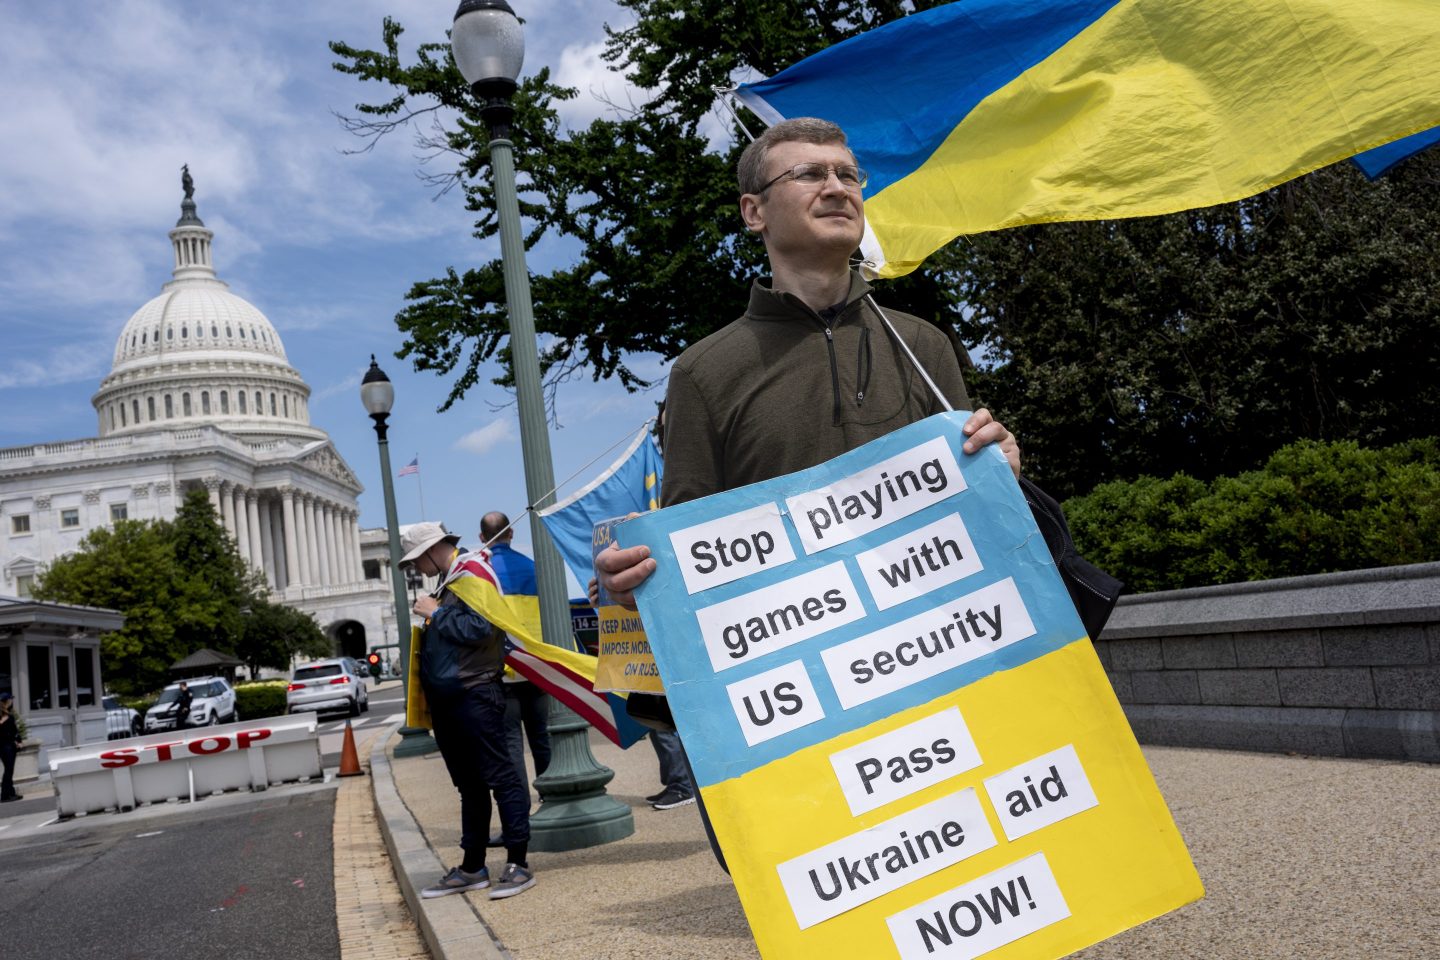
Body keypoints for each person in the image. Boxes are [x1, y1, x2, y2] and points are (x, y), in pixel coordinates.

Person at [595, 118, 1021, 868]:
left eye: (848, 175)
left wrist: (1004, 469)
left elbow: (980, 523)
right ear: (753, 211)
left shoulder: (923, 347)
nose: (836, 187)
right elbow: (686, 549)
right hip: (800, 705)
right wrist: (632, 585)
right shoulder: (704, 373)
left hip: (942, 681)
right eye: (810, 174)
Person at [404, 521, 535, 900]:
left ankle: (518, 864)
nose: (415, 568)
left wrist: (434, 613)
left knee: (500, 778)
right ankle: (473, 867)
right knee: (470, 786)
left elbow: (481, 627)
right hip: (454, 699)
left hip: (474, 694)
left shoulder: (471, 574)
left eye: (415, 559)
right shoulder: (454, 580)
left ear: (432, 549)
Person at [1, 692, 21, 802]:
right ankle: (5, 795)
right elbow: (14, 731)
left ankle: (11, 793)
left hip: (5, 746)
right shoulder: (8, 716)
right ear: (7, 701)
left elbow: (14, 731)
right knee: (9, 770)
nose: (12, 701)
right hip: (7, 746)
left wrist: (18, 740)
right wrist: (19, 741)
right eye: (11, 699)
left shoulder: (7, 715)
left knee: (9, 770)